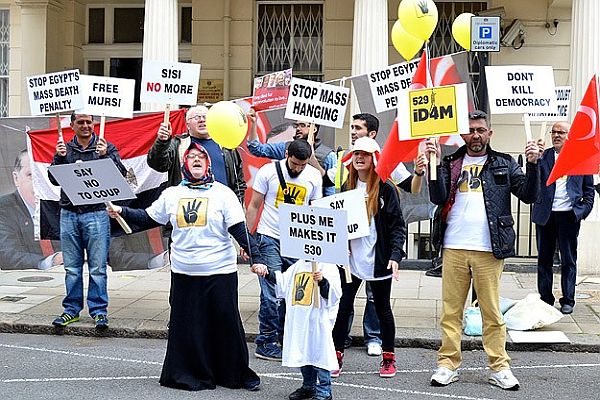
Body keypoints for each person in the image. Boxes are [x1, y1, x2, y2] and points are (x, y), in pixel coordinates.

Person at [108, 142, 266, 392]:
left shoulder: (223, 193)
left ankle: (234, 374)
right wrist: (121, 211)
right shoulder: (172, 194)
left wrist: (256, 258)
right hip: (184, 272)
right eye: (190, 156)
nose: (195, 159)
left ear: (208, 164)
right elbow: (148, 218)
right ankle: (191, 373)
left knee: (226, 323)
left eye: (200, 156)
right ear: (184, 164)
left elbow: (239, 229)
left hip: (220, 271)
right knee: (189, 326)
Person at [426, 110, 540, 391]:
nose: (475, 135)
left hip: (489, 248)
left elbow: (529, 195)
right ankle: (447, 364)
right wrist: (432, 164)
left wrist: (534, 165)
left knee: (491, 313)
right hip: (453, 245)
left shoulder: (504, 163)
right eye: (470, 130)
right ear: (462, 135)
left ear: (490, 133)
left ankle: (499, 367)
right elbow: (438, 197)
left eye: (480, 130)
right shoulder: (450, 162)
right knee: (451, 311)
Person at [336, 113, 426, 357]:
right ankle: (338, 348)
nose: (353, 132)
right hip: (351, 256)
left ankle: (377, 342)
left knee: (379, 302)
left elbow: (410, 194)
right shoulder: (346, 181)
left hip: (378, 254)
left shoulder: (386, 184)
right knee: (344, 303)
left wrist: (418, 173)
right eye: (356, 153)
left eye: (358, 128)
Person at [331, 137, 406, 379]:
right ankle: (336, 354)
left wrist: (396, 255)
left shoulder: (386, 189)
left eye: (364, 154)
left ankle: (388, 357)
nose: (359, 158)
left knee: (383, 309)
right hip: (351, 261)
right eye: (356, 154)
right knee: (343, 307)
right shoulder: (346, 189)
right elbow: (337, 225)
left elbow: (397, 226)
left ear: (374, 158)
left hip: (378, 259)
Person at [48, 113, 127, 332]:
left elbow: (121, 175)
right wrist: (59, 158)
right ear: (72, 125)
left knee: (98, 268)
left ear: (94, 125)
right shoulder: (65, 148)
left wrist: (105, 157)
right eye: (80, 122)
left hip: (96, 214)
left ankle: (99, 311)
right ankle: (71, 310)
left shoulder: (106, 147)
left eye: (89, 122)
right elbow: (54, 180)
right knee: (72, 268)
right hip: (69, 215)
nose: (85, 126)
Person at [246, 139, 323, 361]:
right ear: (286, 154)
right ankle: (266, 341)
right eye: (295, 163)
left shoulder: (313, 176)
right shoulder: (268, 171)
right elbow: (254, 205)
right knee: (271, 294)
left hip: (298, 241)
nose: (298, 168)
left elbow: (315, 211)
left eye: (303, 165)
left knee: (294, 292)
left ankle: (287, 337)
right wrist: (248, 242)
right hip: (269, 237)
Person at [533, 121, 594, 314]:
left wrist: (582, 211)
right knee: (544, 259)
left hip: (569, 216)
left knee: (568, 259)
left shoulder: (579, 158)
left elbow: (589, 189)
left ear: (570, 135)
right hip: (546, 215)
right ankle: (545, 298)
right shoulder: (544, 156)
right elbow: (533, 180)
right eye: (554, 132)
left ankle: (568, 299)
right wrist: (535, 159)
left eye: (561, 132)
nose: (557, 135)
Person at [258, 260, 341, 400]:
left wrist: (322, 282)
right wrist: (266, 273)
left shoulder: (328, 266)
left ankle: (324, 390)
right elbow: (283, 282)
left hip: (317, 321)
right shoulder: (298, 265)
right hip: (300, 319)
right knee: (304, 353)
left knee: (320, 354)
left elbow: (334, 295)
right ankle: (308, 386)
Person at [147, 104, 246, 203]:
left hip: (222, 210)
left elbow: (239, 182)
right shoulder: (178, 144)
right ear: (187, 124)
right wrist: (162, 142)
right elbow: (158, 165)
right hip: (187, 210)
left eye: (205, 117)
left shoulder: (226, 146)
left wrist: (237, 206)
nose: (202, 120)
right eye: (197, 117)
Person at [247, 110, 337, 196]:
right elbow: (256, 149)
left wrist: (314, 162)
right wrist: (253, 123)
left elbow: (330, 192)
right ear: (287, 154)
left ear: (314, 129)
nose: (298, 129)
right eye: (297, 125)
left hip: (312, 209)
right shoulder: (286, 148)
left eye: (302, 125)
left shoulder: (328, 156)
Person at [0, 149, 62, 270]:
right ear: (16, 178)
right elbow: (7, 255)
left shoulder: (62, 206)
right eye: (31, 175)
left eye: (45, 175)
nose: (39, 183)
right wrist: (51, 261)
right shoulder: (4, 208)